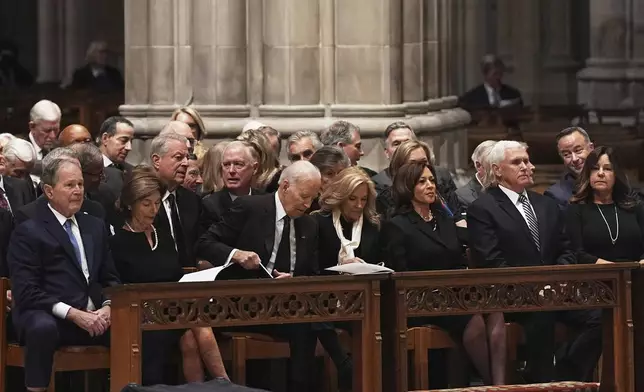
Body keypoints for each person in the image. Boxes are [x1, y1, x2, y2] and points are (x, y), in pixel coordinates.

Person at [196, 160, 321, 391]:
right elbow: (204, 243)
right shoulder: (250, 207)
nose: (308, 203)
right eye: (304, 196)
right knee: (310, 325)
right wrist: (236, 254)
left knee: (313, 322)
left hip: (287, 306)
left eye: (313, 198)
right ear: (284, 186)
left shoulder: (309, 224)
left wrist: (294, 281)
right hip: (243, 304)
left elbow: (312, 273)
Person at [381, 161, 505, 385]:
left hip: (455, 293)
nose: (430, 186)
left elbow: (459, 260)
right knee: (473, 318)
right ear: (407, 188)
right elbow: (401, 274)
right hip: (422, 299)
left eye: (431, 181)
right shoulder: (397, 225)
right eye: (422, 182)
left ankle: (501, 385)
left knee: (494, 310)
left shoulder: (445, 220)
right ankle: (492, 384)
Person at [7, 150, 120, 392]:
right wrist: (74, 314)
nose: (78, 190)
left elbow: (110, 277)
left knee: (134, 324)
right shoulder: (29, 231)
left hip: (94, 314)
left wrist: (108, 307)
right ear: (49, 191)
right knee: (42, 327)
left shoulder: (94, 226)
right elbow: (27, 291)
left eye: (80, 184)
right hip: (51, 314)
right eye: (69, 185)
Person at [467, 140, 574, 383]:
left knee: (599, 318)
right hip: (512, 294)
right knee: (542, 316)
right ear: (497, 170)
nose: (527, 166)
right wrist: (536, 289)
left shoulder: (546, 204)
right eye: (517, 162)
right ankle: (543, 383)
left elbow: (566, 249)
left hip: (557, 292)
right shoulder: (483, 208)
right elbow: (491, 261)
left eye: (527, 160)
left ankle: (574, 378)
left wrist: (557, 280)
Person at [111, 167, 228, 385]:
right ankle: (225, 384)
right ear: (130, 204)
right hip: (142, 313)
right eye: (146, 204)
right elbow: (120, 285)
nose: (153, 210)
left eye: (157, 203)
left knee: (191, 337)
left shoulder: (163, 236)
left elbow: (175, 275)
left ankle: (207, 388)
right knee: (196, 323)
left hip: (172, 309)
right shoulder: (118, 242)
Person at [150, 133, 203, 268]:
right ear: (157, 160)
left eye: (186, 157)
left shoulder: (192, 201)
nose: (185, 163)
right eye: (178, 158)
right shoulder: (142, 198)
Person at [201, 141, 261, 230]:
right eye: (226, 165)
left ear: (255, 168)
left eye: (238, 164)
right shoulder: (210, 206)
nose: (231, 170)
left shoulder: (265, 201)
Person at [545, 127, 595, 210]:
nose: (574, 159)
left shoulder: (610, 182)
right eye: (566, 154)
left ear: (591, 148)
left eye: (578, 150)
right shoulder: (556, 195)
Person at [308, 146, 351, 212]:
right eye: (329, 174)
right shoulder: (308, 206)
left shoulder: (353, 201)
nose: (337, 178)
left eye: (341, 173)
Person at [455, 140, 496, 208]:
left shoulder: (510, 188)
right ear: (478, 166)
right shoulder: (462, 196)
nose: (499, 170)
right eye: (493, 165)